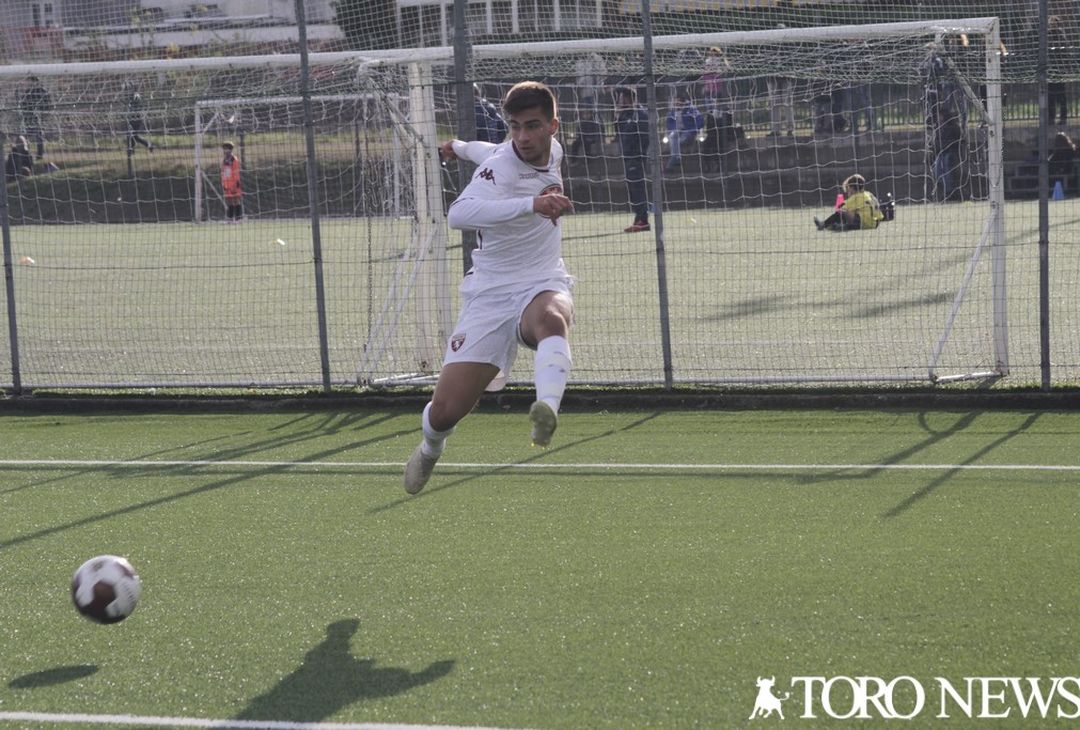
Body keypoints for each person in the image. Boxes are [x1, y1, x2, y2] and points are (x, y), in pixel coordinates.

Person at [403, 81, 576, 495]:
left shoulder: (551, 151)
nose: (522, 137)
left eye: (532, 126)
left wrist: (458, 146)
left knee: (553, 318)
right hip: (490, 294)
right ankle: (430, 448)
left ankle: (546, 412)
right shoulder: (500, 167)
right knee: (445, 412)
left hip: (540, 279)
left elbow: (484, 148)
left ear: (553, 126)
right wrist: (530, 205)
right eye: (514, 127)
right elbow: (459, 214)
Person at [614, 86, 651, 233]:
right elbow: (619, 133)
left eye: (621, 97)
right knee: (632, 189)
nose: (618, 100)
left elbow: (645, 137)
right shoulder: (625, 115)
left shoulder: (640, 115)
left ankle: (643, 220)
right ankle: (639, 218)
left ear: (629, 98)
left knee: (637, 188)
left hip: (636, 158)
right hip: (628, 157)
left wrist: (639, 154)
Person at [813, 174, 883, 231]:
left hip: (863, 223)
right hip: (875, 224)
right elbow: (880, 215)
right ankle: (838, 226)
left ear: (852, 188)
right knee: (853, 212)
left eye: (848, 187)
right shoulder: (869, 194)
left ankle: (823, 224)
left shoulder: (856, 197)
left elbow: (840, 207)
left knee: (842, 212)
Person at [664, 94, 704, 172]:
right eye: (675, 103)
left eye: (677, 103)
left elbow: (701, 121)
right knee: (673, 137)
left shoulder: (691, 109)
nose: (676, 105)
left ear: (683, 102)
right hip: (677, 131)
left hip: (688, 131)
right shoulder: (672, 112)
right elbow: (669, 124)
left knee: (677, 142)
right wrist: (671, 131)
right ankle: (675, 159)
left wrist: (693, 130)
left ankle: (673, 161)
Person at [931, 109, 963, 201]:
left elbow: (957, 141)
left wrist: (945, 146)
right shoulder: (937, 128)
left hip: (951, 152)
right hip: (941, 153)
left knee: (946, 163)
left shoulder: (953, 127)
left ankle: (949, 192)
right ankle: (947, 190)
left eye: (940, 116)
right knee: (937, 169)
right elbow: (935, 143)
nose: (938, 118)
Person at [17, 75, 51, 160]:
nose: (28, 83)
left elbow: (47, 103)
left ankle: (40, 154)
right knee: (25, 136)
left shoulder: (41, 91)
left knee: (38, 136)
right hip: (28, 117)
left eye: (30, 81)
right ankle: (25, 154)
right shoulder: (28, 92)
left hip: (37, 117)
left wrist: (43, 113)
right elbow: (24, 103)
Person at [699, 46, 732, 115]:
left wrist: (719, 69)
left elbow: (726, 68)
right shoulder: (707, 60)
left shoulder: (720, 60)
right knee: (708, 95)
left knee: (717, 95)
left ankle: (722, 109)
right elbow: (705, 70)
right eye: (711, 53)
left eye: (714, 53)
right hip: (709, 79)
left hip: (717, 79)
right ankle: (710, 110)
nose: (712, 54)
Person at [220, 141, 243, 222]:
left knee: (236, 200)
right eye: (224, 149)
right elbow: (222, 172)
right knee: (229, 201)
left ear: (230, 150)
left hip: (234, 183)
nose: (225, 151)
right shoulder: (224, 160)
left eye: (226, 149)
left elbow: (236, 172)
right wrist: (223, 183)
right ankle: (229, 218)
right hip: (227, 184)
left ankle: (238, 218)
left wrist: (235, 184)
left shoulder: (234, 159)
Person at [126, 90, 154, 154]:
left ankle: (148, 145)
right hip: (134, 119)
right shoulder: (133, 101)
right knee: (132, 135)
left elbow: (135, 109)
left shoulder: (136, 101)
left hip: (136, 120)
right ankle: (132, 150)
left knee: (133, 135)